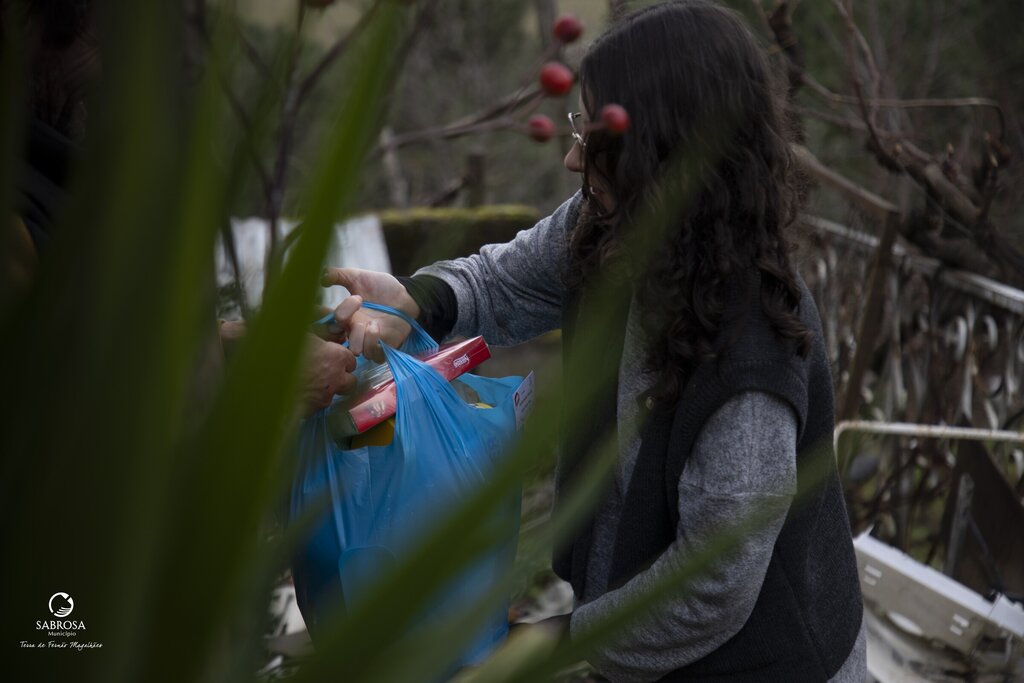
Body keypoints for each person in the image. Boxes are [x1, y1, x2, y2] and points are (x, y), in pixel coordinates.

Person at [325, 1, 865, 680]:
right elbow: (506, 281)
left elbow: (713, 585)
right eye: (580, 124)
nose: (573, 156)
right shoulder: (612, 228)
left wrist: (551, 643)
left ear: (664, 152)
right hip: (637, 646)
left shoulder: (749, 360)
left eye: (594, 135)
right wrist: (413, 300)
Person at [3, 0, 357, 415]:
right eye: (101, 39)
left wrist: (229, 341)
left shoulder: (51, 168)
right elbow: (66, 421)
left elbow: (89, 340)